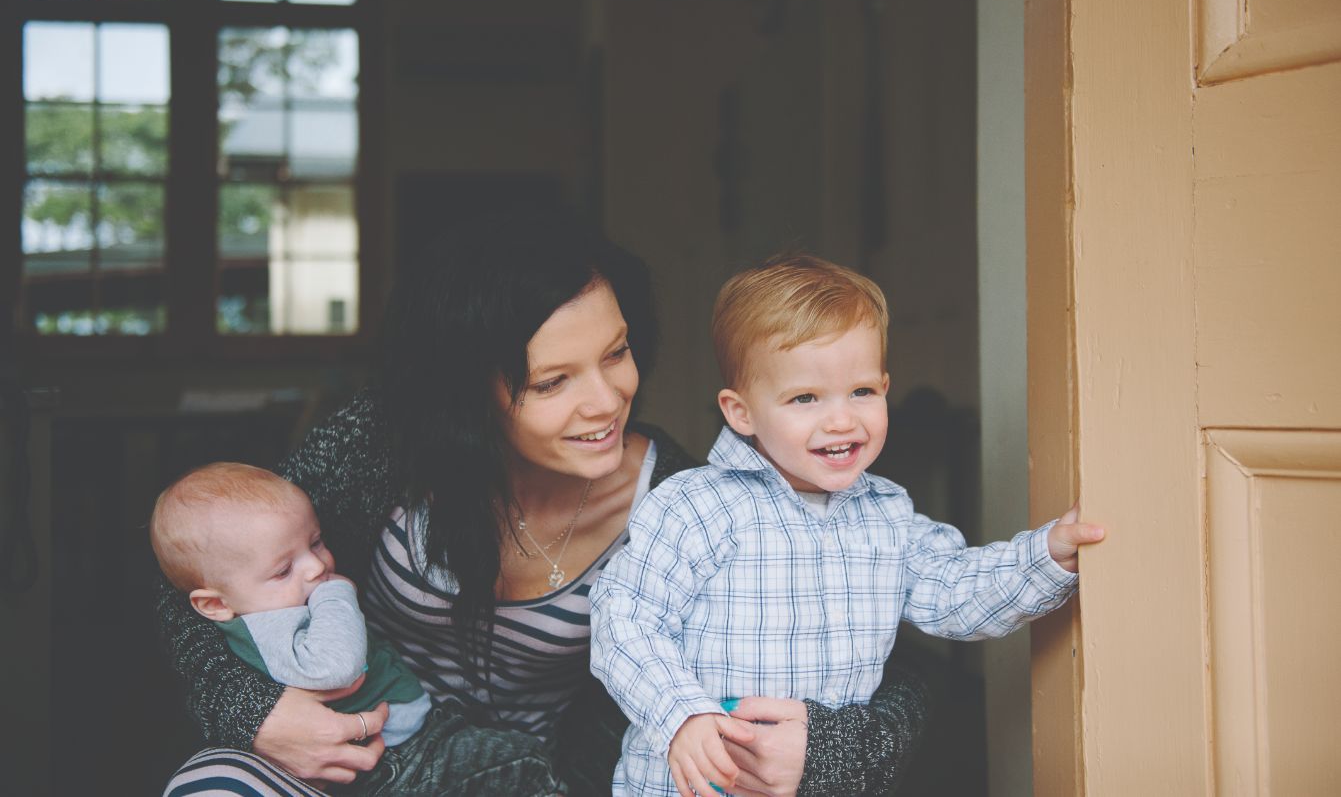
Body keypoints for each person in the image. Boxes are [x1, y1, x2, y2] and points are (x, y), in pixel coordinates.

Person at [155, 204, 932, 797]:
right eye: (552, 381)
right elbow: (200, 582)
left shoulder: (693, 501)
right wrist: (255, 711)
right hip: (345, 762)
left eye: (616, 353)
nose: (605, 402)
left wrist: (820, 749)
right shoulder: (385, 445)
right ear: (472, 391)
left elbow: (904, 670)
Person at [590, 253, 1106, 797]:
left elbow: (955, 589)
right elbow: (624, 619)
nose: (841, 419)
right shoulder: (696, 508)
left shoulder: (887, 514)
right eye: (805, 398)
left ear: (885, 387)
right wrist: (680, 714)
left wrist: (1048, 555)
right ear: (741, 412)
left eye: (862, 391)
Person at [149, 463, 432, 758]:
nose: (317, 566)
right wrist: (336, 592)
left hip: (395, 727)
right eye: (284, 570)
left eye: (316, 542)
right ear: (216, 605)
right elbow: (335, 668)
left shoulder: (270, 602)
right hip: (392, 746)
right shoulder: (267, 626)